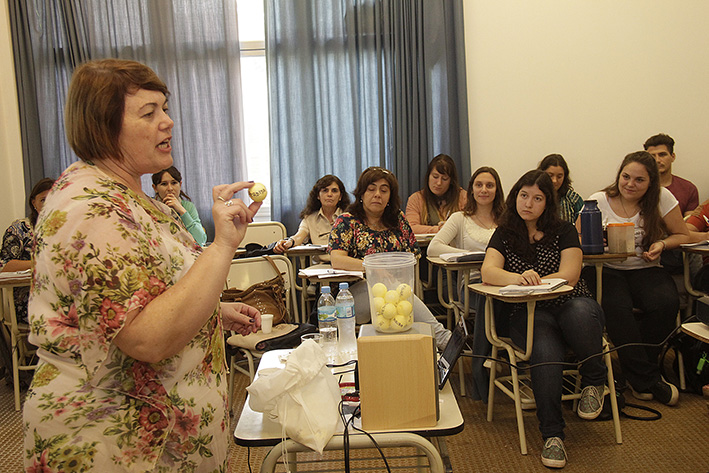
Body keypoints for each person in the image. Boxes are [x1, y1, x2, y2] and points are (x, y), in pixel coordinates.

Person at [23, 59, 261, 472]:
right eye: (149, 113)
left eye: (165, 108)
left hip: (165, 438)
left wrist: (212, 312)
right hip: (116, 444)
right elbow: (146, 338)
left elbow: (144, 295)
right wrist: (223, 245)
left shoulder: (135, 199)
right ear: (103, 127)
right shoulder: (90, 208)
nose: (167, 122)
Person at [481, 169, 608, 469]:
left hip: (569, 303)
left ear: (547, 203)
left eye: (537, 198)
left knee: (579, 311)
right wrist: (520, 278)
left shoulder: (563, 230)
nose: (529, 203)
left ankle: (594, 378)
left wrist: (537, 283)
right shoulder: (505, 232)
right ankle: (553, 435)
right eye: (524, 196)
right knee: (545, 351)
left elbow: (570, 275)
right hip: (529, 312)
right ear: (514, 197)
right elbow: (489, 272)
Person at [581, 151, 688, 408]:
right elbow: (577, 242)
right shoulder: (598, 201)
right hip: (605, 268)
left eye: (639, 180)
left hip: (646, 266)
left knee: (665, 302)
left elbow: (684, 235)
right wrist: (597, 243)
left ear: (651, 182)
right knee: (617, 309)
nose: (630, 184)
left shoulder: (662, 198)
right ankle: (648, 379)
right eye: (625, 177)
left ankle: (636, 374)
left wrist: (662, 243)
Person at [329, 166, 450, 349]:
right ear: (361, 193)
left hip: (395, 296)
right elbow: (337, 259)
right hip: (352, 297)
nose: (377, 194)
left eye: (384, 190)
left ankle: (430, 351)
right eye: (371, 189)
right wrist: (371, 268)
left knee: (396, 289)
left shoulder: (398, 220)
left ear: (389, 197)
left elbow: (412, 257)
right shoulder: (347, 221)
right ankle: (443, 339)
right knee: (386, 285)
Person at [427, 166, 504, 400]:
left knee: (501, 300)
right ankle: (481, 368)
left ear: (497, 190)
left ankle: (501, 361)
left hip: (502, 281)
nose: (484, 190)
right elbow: (434, 247)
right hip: (471, 284)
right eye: (479, 185)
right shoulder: (459, 218)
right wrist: (469, 255)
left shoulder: (507, 219)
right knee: (486, 299)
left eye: (489, 185)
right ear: (471, 190)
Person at [0, 177, 55, 323]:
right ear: (33, 203)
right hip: (29, 298)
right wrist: (38, 263)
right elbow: (4, 266)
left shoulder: (68, 230)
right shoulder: (19, 229)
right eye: (43, 200)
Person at [273, 174, 350, 263]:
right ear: (318, 196)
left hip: (345, 266)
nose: (329, 194)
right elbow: (299, 236)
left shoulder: (349, 217)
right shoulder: (309, 218)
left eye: (334, 191)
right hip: (320, 268)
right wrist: (288, 242)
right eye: (325, 190)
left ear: (340, 196)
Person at [405, 154, 467, 234]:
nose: (439, 183)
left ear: (451, 181)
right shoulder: (416, 199)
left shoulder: (463, 197)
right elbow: (411, 228)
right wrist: (439, 229)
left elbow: (470, 227)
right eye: (435, 177)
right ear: (428, 176)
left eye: (444, 179)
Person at [643, 133, 699, 216]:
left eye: (662, 155)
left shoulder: (688, 189)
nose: (657, 160)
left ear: (673, 157)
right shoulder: (638, 186)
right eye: (652, 156)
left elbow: (690, 224)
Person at [152, 166, 208, 246]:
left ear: (180, 184)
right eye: (164, 184)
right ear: (155, 188)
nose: (170, 188)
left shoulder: (188, 206)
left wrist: (182, 211)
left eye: (174, 183)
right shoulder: (151, 206)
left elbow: (201, 240)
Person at [537, 154, 584, 223]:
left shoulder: (573, 199)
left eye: (559, 177)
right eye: (550, 176)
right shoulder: (533, 197)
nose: (554, 180)